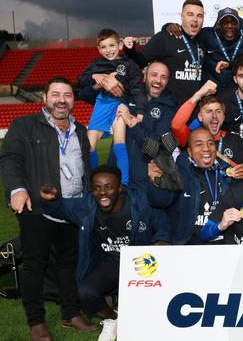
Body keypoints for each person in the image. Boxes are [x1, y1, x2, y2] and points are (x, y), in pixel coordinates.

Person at [0, 77, 95, 340]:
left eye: (67, 95)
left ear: (73, 100)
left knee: (69, 264)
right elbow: (9, 160)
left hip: (72, 209)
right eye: (56, 94)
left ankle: (70, 313)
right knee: (35, 265)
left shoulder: (80, 130)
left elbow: (85, 169)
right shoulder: (24, 125)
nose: (61, 100)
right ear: (44, 98)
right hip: (38, 208)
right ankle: (36, 322)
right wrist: (17, 189)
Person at [39, 165, 168, 341]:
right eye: (97, 188)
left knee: (149, 314)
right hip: (113, 261)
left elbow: (161, 221)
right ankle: (112, 318)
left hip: (143, 261)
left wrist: (161, 241)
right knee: (86, 293)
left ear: (120, 188)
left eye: (109, 187)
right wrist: (49, 200)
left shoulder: (140, 200)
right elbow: (62, 208)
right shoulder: (87, 205)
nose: (103, 193)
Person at [77, 28, 147, 184]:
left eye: (112, 45)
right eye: (104, 47)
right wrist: (94, 76)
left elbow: (137, 88)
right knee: (89, 146)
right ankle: (92, 182)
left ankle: (124, 184)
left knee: (119, 144)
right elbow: (80, 80)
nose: (108, 50)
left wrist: (140, 113)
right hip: (101, 104)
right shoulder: (96, 64)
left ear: (120, 45)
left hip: (120, 105)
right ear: (99, 49)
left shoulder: (128, 64)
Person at [147, 127, 230, 245]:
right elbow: (159, 201)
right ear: (190, 152)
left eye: (210, 143)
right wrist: (156, 181)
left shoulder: (227, 174)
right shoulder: (178, 174)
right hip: (189, 247)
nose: (206, 148)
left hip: (223, 245)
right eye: (199, 144)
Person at [163, 6, 243, 89]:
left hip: (237, 92)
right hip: (210, 92)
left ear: (239, 24)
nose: (229, 26)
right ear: (218, 24)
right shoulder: (207, 35)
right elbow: (188, 33)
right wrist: (168, 26)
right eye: (225, 22)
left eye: (233, 22)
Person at [123, 0, 205, 104]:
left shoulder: (204, 41)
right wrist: (130, 50)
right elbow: (141, 60)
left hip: (194, 109)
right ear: (181, 16)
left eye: (199, 16)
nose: (195, 19)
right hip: (169, 109)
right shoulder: (165, 37)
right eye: (190, 14)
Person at [170, 81, 243, 180]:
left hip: (228, 193)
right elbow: (176, 125)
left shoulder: (235, 140)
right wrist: (199, 94)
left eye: (218, 111)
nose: (214, 116)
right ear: (200, 117)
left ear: (224, 117)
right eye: (209, 111)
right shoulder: (192, 137)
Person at [122, 61, 179, 190]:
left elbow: (154, 147)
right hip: (118, 175)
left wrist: (134, 125)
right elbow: (86, 93)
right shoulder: (129, 95)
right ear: (145, 76)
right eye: (154, 74)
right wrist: (97, 77)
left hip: (144, 181)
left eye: (163, 77)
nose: (158, 80)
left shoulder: (170, 108)